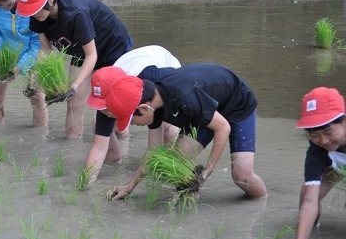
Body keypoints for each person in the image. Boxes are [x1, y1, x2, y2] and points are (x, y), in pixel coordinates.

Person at [104, 63, 268, 200]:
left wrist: (206, 171)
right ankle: (186, 203)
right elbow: (153, 151)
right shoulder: (151, 104)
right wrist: (129, 186)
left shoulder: (184, 97)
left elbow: (223, 127)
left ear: (143, 108)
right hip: (204, 110)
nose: (131, 125)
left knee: (242, 176)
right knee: (176, 163)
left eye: (131, 120)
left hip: (237, 104)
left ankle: (262, 204)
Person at [15, 0, 133, 139]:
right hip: (81, 51)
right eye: (30, 10)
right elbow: (45, 50)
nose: (34, 14)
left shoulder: (76, 13)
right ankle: (72, 148)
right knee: (74, 102)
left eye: (37, 8)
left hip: (113, 49)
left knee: (112, 107)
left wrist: (75, 85)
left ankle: (123, 145)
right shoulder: (38, 15)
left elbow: (92, 55)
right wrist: (34, 79)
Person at [84, 45, 182, 181]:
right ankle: (116, 158)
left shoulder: (152, 78)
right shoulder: (105, 90)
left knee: (166, 131)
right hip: (127, 70)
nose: (105, 112)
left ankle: (163, 170)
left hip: (161, 65)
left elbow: (182, 77)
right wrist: (86, 181)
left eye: (107, 108)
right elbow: (99, 146)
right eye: (102, 107)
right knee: (98, 126)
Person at [293, 87, 346, 239]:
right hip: (336, 167)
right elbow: (309, 201)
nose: (323, 141)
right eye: (314, 134)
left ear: (344, 122)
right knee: (306, 195)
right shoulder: (317, 151)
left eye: (328, 132)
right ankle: (313, 233)